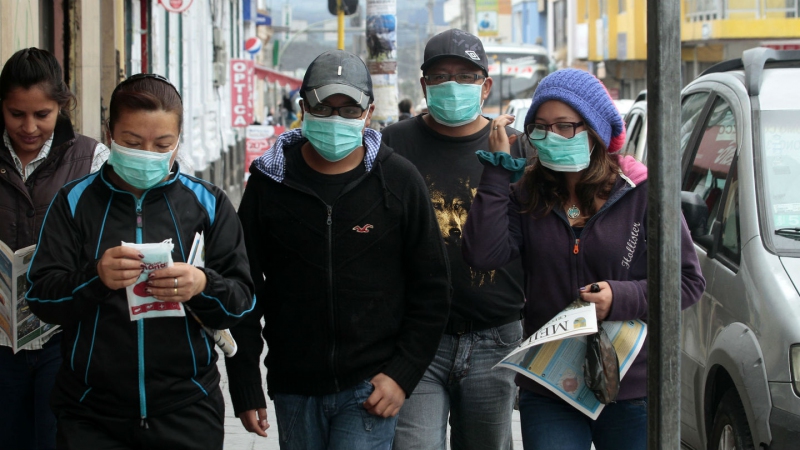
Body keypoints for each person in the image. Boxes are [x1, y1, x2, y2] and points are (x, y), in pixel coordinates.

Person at [461, 68, 706, 449]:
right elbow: (481, 254)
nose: (551, 137)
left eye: (564, 127)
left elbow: (688, 283)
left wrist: (620, 298)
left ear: (594, 131)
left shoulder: (642, 193)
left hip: (630, 386)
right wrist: (496, 172)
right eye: (540, 127)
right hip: (549, 383)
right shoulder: (527, 194)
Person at [226, 49, 451, 450]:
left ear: (368, 113)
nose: (336, 119)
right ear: (303, 107)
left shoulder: (398, 181)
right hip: (294, 386)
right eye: (324, 107)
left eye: (349, 109)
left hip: (369, 386)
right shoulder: (268, 183)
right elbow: (243, 287)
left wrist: (402, 373)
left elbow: (432, 288)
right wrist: (245, 383)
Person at [25, 73, 255, 449]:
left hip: (186, 409)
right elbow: (41, 298)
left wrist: (201, 285)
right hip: (90, 414)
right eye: (133, 142)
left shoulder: (208, 204)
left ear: (178, 141)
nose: (148, 153)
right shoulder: (73, 202)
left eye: (161, 143)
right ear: (110, 133)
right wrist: (95, 277)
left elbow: (243, 302)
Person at [381, 28, 526, 449]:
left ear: (486, 86)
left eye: (466, 76)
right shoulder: (394, 144)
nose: (453, 85)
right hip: (418, 339)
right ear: (424, 85)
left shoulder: (515, 149)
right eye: (441, 76)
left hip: (496, 336)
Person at [0, 47, 110, 450]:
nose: (29, 127)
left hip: (64, 335)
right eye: (16, 114)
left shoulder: (92, 159)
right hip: (0, 339)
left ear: (63, 106)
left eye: (42, 115)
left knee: (56, 437)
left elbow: (107, 235)